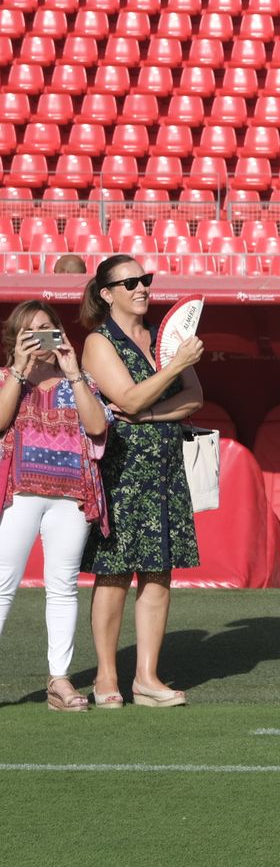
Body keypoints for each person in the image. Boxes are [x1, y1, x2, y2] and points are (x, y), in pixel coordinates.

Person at [78, 255, 205, 708]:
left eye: (145, 279)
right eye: (129, 282)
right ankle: (107, 677)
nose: (141, 287)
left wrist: (150, 414)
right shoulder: (99, 342)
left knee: (158, 573)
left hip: (166, 469)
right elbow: (127, 396)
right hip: (122, 470)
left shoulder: (165, 337)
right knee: (112, 574)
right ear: (106, 293)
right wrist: (172, 368)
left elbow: (194, 399)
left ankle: (147, 678)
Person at [0, 301, 110, 712]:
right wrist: (18, 369)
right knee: (2, 585)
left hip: (70, 496)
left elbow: (97, 426)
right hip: (19, 492)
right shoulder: (7, 378)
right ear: (15, 339)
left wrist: (72, 370)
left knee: (63, 588)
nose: (40, 338)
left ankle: (58, 681)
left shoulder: (79, 378)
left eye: (47, 328)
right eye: (29, 332)